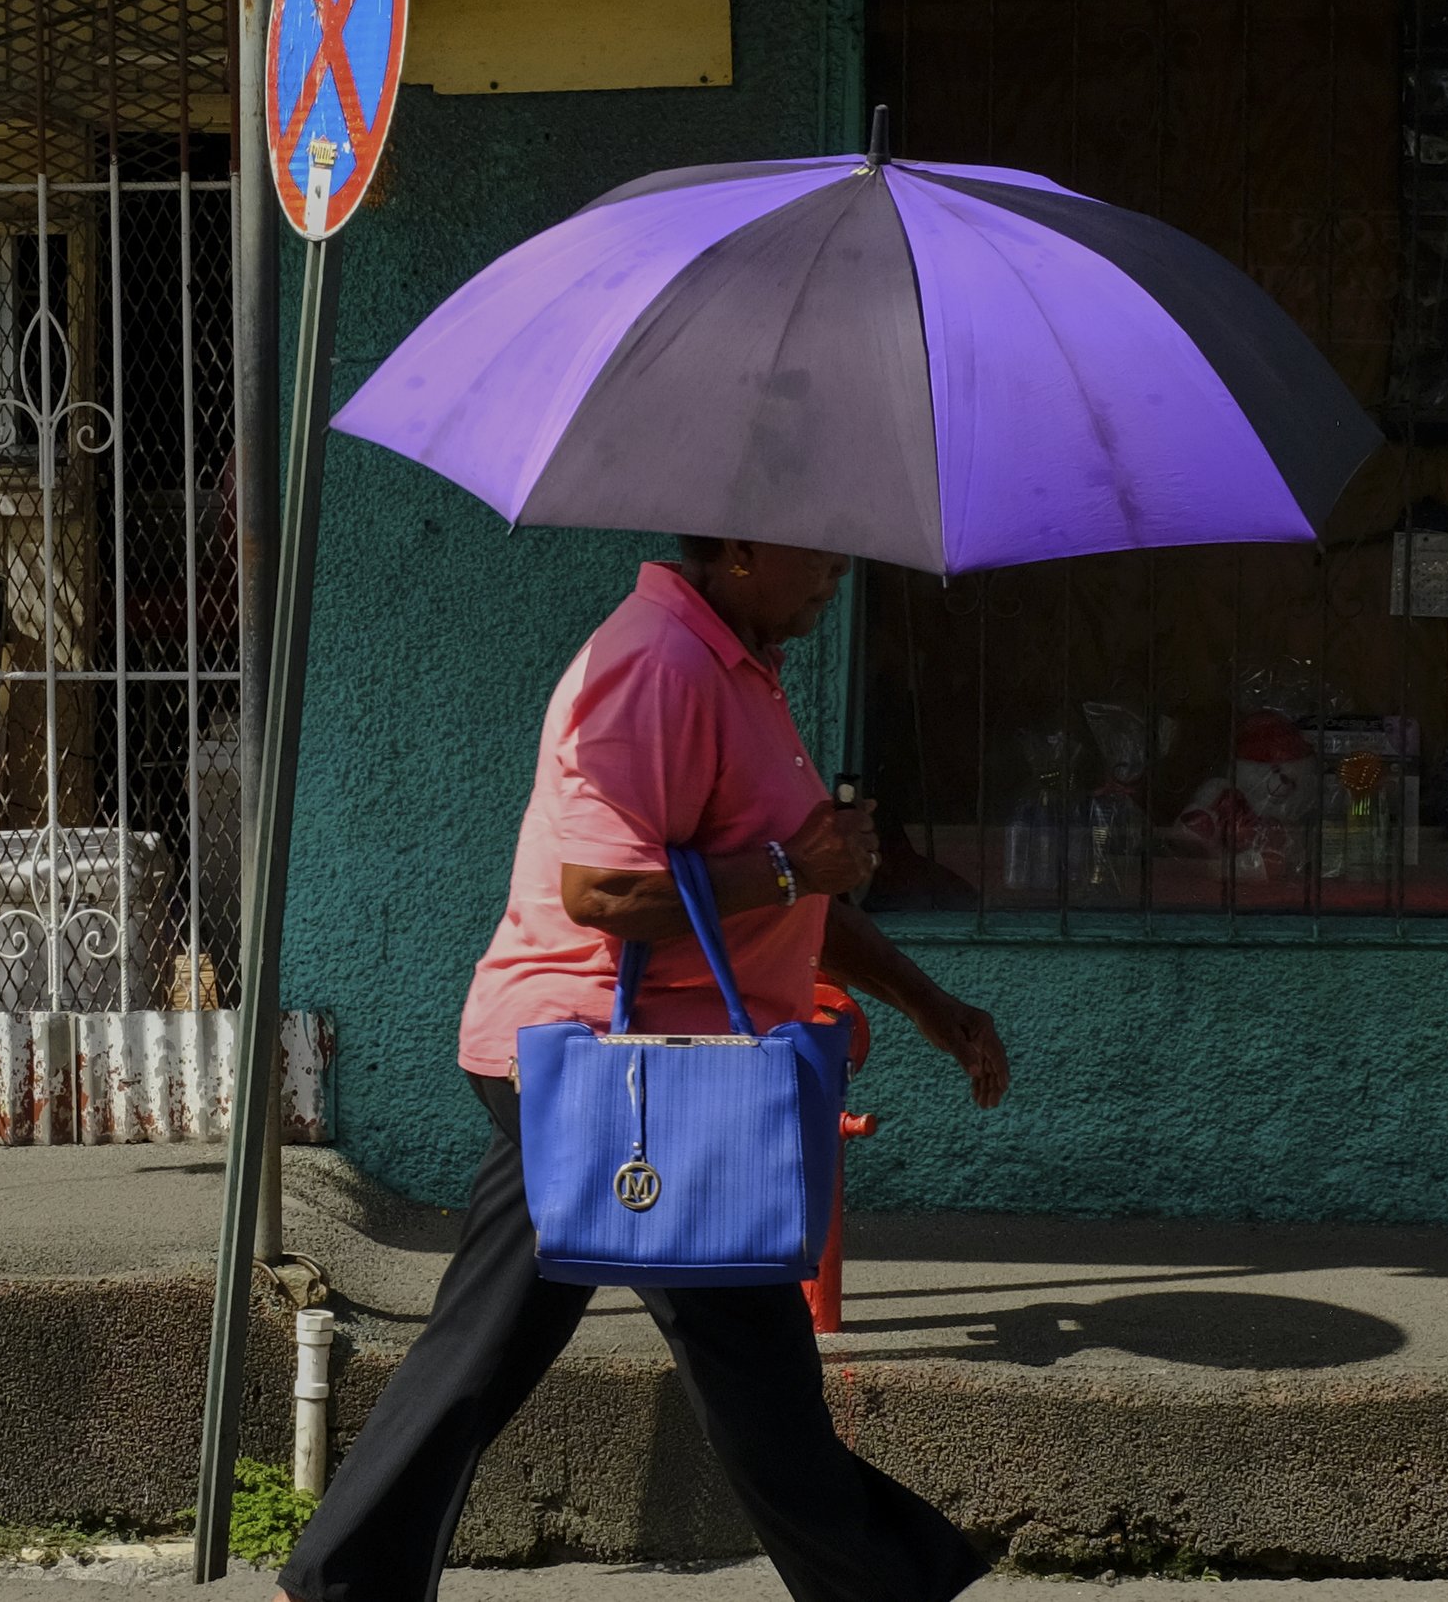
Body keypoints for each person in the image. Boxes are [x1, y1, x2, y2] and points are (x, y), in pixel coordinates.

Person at [275, 537, 1013, 1602]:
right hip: (615, 1076)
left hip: (649, 1075)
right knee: (749, 1370)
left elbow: (791, 897)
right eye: (818, 547)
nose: (840, 569)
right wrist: (791, 863)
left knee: (509, 1348)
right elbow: (603, 892)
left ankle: (342, 1582)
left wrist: (928, 1002)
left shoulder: (736, 667)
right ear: (740, 547)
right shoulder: (658, 662)